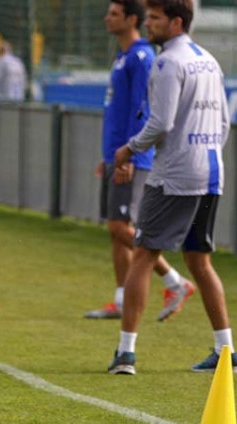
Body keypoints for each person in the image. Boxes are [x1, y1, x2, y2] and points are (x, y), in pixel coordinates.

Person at [108, 0, 237, 376]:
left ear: (176, 21)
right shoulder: (209, 60)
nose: (148, 24)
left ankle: (126, 354)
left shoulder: (167, 62)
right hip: (212, 173)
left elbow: (161, 123)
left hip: (175, 175)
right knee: (198, 259)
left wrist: (128, 149)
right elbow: (225, 123)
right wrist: (203, 152)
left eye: (155, 18)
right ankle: (227, 351)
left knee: (143, 254)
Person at [84, 0, 195, 322]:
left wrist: (129, 156)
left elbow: (143, 112)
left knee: (122, 227)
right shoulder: (123, 56)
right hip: (116, 155)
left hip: (132, 158)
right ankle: (120, 299)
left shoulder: (142, 57)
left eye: (114, 14)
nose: (107, 18)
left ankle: (175, 282)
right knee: (114, 229)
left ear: (132, 19)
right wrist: (109, 156)